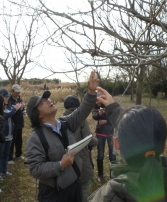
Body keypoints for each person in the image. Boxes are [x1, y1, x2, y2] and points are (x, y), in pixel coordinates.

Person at [88, 87, 167, 202]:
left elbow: (135, 129)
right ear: (163, 147)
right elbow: (140, 130)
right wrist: (113, 109)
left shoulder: (108, 196)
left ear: (117, 144)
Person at [25, 70, 99, 202]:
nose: (49, 101)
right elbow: (35, 169)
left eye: (47, 98)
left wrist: (91, 92)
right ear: (38, 115)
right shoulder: (35, 139)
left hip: (75, 185)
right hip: (55, 194)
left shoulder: (64, 123)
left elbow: (82, 111)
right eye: (43, 102)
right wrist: (60, 164)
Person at [62, 95, 98, 202]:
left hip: (66, 159)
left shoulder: (60, 119)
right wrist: (97, 141)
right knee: (83, 187)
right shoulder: (81, 120)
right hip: (80, 157)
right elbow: (89, 139)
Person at [0, 89, 21, 181]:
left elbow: (12, 113)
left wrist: (18, 108)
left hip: (10, 134)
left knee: (6, 154)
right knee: (0, 155)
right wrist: (15, 109)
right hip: (2, 135)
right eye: (5, 96)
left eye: (7, 96)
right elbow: (6, 115)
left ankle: (4, 170)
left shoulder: (8, 105)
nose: (7, 98)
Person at [92, 99, 116, 182]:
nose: (98, 101)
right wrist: (99, 114)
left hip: (111, 133)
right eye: (97, 100)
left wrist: (105, 121)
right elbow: (94, 116)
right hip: (100, 134)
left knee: (112, 156)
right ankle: (100, 175)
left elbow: (115, 117)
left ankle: (113, 175)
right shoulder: (96, 107)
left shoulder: (110, 105)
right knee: (100, 155)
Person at [8, 84, 25, 164]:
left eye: (19, 92)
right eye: (16, 92)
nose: (18, 93)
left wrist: (23, 108)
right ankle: (9, 157)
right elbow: (11, 112)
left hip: (19, 123)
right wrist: (19, 109)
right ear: (12, 91)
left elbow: (21, 109)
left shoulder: (19, 99)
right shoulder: (9, 100)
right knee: (12, 140)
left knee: (19, 140)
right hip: (12, 123)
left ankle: (18, 154)